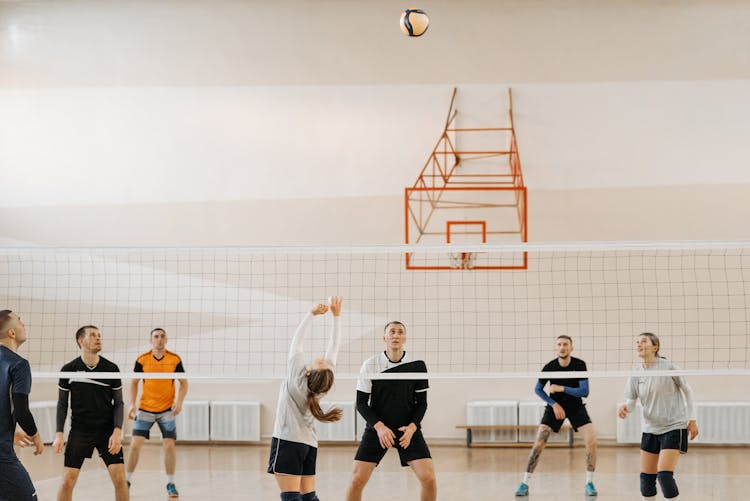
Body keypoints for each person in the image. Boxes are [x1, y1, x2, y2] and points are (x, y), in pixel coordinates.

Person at [346, 321, 436, 501]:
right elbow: (361, 403)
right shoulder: (370, 364)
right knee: (356, 480)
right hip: (378, 430)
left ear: (405, 337)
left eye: (400, 332)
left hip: (407, 430)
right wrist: (379, 427)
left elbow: (422, 403)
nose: (396, 335)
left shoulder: (417, 365)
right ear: (384, 338)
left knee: (429, 479)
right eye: (392, 332)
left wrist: (412, 427)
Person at [267, 297, 343, 501]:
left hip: (288, 441)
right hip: (308, 444)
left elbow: (296, 342)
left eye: (320, 362)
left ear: (310, 372)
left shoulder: (297, 377)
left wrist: (311, 315)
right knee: (308, 497)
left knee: (291, 497)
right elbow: (334, 348)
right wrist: (336, 316)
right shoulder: (324, 385)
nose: (322, 359)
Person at [617, 332, 698, 501]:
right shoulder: (636, 372)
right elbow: (631, 401)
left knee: (664, 476)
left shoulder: (668, 367)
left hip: (674, 426)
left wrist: (692, 419)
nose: (639, 344)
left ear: (655, 347)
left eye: (643, 341)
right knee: (646, 480)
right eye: (637, 342)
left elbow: (688, 391)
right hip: (650, 429)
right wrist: (626, 408)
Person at [515, 335, 598, 497]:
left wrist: (561, 388)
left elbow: (584, 391)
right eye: (559, 344)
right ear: (556, 348)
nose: (562, 347)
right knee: (538, 443)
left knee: (591, 441)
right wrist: (554, 404)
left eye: (565, 344)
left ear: (571, 347)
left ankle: (589, 482)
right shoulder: (549, 367)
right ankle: (525, 483)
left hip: (575, 406)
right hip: (555, 406)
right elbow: (538, 389)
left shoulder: (579, 365)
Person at [52, 325, 128, 501]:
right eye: (93, 335)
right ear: (81, 341)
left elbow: (119, 403)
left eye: (99, 335)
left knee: (120, 480)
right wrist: (59, 433)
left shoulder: (111, 368)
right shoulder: (68, 369)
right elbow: (62, 403)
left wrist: (117, 431)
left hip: (107, 431)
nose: (98, 338)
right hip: (80, 431)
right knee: (67, 482)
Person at [126, 328, 188, 498]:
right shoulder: (142, 359)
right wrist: (132, 404)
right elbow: (134, 383)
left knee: (169, 445)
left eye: (162, 336)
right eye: (156, 336)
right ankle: (127, 480)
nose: (159, 339)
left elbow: (184, 383)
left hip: (167, 410)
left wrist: (179, 402)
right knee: (135, 445)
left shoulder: (174, 359)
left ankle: (171, 483)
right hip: (145, 409)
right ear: (150, 340)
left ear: (166, 340)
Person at [0, 310, 44, 501]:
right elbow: (21, 410)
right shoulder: (18, 364)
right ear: (11, 332)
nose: (23, 324)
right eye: (19, 321)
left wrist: (9, 430)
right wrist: (35, 435)